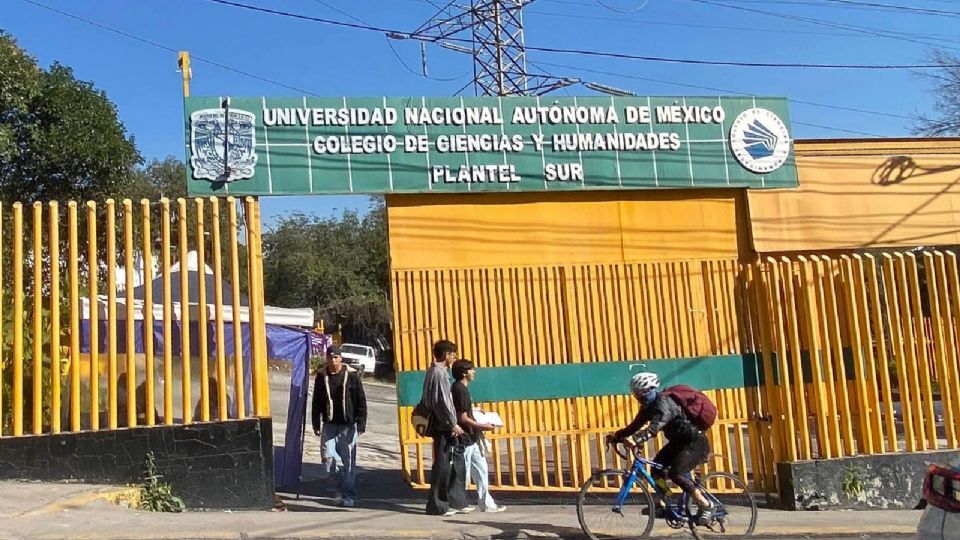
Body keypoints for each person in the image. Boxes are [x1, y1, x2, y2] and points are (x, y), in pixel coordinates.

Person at [607, 372, 714, 524]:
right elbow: (635, 425)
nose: (639, 397)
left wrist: (636, 439)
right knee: (656, 471)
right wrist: (617, 436)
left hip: (694, 442)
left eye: (642, 393)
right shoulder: (648, 407)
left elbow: (655, 427)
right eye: (636, 393)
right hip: (678, 442)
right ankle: (667, 500)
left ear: (651, 389)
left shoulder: (664, 402)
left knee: (677, 473)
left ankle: (706, 504)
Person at [311, 345, 367, 508]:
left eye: (335, 357)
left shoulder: (352, 376)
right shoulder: (322, 377)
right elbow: (316, 402)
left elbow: (361, 400)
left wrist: (361, 422)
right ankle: (338, 489)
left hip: (347, 425)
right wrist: (316, 422)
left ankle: (349, 494)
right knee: (327, 460)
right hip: (329, 425)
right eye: (330, 357)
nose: (332, 360)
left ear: (341, 358)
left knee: (348, 462)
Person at [422, 339, 472, 517]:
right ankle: (438, 505)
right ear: (445, 355)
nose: (454, 357)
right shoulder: (439, 373)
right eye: (452, 354)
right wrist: (453, 423)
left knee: (452, 463)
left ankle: (455, 501)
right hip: (443, 425)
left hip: (444, 423)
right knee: (443, 465)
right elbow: (442, 401)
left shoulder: (436, 372)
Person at [450, 359, 506, 513]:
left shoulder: (461, 388)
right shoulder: (460, 389)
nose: (474, 372)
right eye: (471, 369)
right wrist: (483, 426)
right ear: (464, 373)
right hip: (464, 438)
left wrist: (474, 409)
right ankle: (456, 502)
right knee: (464, 472)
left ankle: (487, 503)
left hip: (472, 438)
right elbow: (462, 418)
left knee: (481, 470)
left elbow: (463, 410)